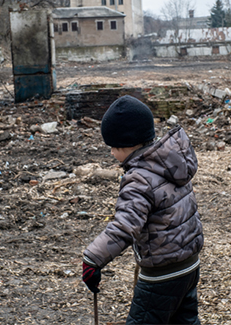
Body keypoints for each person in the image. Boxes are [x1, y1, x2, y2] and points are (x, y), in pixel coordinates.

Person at [82, 95, 204, 325]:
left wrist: (92, 260)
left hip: (161, 276)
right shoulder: (171, 164)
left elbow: (125, 226)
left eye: (112, 147)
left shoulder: (139, 179)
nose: (111, 153)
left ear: (127, 145)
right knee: (184, 321)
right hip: (188, 266)